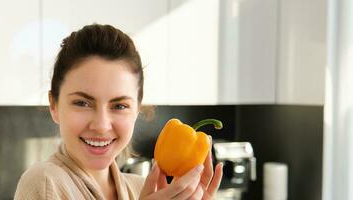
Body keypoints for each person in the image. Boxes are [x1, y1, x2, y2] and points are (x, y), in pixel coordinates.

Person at [14, 24, 223, 200]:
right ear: (54, 106)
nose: (101, 125)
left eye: (119, 106)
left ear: (137, 109)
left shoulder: (140, 189)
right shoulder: (44, 183)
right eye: (82, 103)